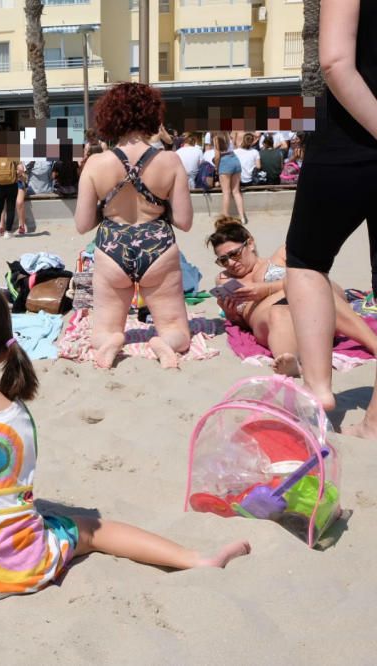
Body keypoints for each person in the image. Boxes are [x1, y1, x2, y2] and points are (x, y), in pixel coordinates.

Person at [0, 277, 251, 628]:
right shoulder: (18, 414)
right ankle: (193, 558)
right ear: (2, 350)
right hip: (29, 566)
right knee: (93, 530)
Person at [284, 0, 377, 438]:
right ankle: (376, 421)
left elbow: (336, 60)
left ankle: (318, 388)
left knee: (307, 260)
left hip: (349, 138)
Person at [74, 82, 195, 369]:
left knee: (101, 331)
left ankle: (111, 342)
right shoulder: (170, 160)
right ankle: (164, 344)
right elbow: (184, 221)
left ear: (109, 116)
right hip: (158, 246)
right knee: (176, 328)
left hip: (111, 247)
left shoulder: (95, 164)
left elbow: (82, 224)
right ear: (151, 115)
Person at [209, 217, 377, 376]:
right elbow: (241, 322)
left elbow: (315, 274)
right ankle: (290, 361)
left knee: (306, 286)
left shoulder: (282, 254)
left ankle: (373, 344)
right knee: (278, 313)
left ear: (250, 243)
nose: (230, 263)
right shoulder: (225, 279)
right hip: (272, 320)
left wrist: (266, 290)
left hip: (315, 307)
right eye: (223, 260)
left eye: (234, 254)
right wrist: (232, 315)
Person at [213, 132, 246, 223]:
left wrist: (216, 167)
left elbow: (217, 156)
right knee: (236, 191)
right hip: (235, 159)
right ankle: (242, 217)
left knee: (226, 192)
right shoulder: (228, 134)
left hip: (225, 161)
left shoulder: (216, 137)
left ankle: (225, 217)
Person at [0, 155, 19, 238]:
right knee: (10, 208)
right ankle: (8, 232)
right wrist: (19, 177)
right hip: (12, 185)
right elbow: (20, 169)